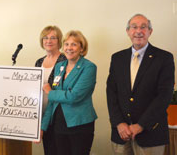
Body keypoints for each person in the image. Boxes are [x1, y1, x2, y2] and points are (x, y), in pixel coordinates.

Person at [106, 14, 175, 155]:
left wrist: (141, 125)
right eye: (134, 27)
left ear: (150, 31)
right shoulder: (117, 58)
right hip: (121, 133)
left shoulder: (164, 58)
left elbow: (164, 96)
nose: (139, 31)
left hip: (151, 133)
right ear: (128, 32)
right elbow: (111, 93)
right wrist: (119, 123)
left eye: (143, 27)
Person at [41, 30, 97, 155]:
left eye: (74, 44)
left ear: (82, 48)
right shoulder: (59, 66)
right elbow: (53, 101)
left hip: (79, 125)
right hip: (58, 125)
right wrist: (43, 127)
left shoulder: (89, 67)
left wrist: (50, 92)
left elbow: (73, 96)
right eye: (66, 44)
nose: (69, 48)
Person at [35, 25, 66, 155]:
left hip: (59, 113)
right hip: (42, 112)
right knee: (49, 150)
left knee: (61, 149)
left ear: (59, 41)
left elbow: (63, 89)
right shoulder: (39, 62)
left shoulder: (65, 60)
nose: (49, 41)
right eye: (45, 38)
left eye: (53, 38)